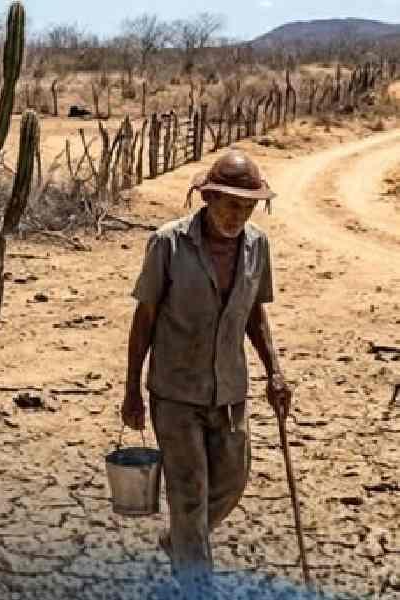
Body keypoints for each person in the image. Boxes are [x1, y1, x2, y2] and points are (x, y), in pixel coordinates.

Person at [122, 149, 293, 586]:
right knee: (189, 496)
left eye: (249, 205)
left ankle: (180, 540)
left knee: (232, 484)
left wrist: (274, 369)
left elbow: (255, 314)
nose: (239, 214)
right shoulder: (169, 243)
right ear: (209, 197)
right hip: (175, 392)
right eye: (231, 203)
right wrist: (132, 390)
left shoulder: (258, 246)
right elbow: (144, 319)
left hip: (229, 391)